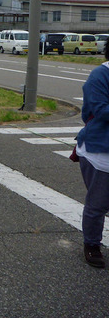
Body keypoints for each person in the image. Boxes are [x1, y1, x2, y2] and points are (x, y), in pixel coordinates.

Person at [76, 44, 109, 268]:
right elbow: (100, 109)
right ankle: (92, 244)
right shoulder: (101, 74)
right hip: (101, 151)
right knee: (98, 203)